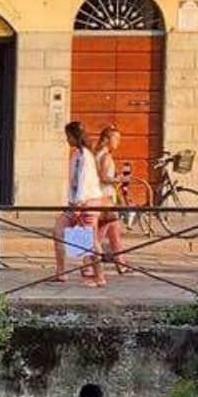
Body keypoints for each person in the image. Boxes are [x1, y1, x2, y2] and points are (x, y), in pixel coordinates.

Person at [55, 120, 106, 287]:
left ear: (74, 136)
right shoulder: (76, 155)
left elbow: (84, 182)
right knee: (59, 231)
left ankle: (99, 277)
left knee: (90, 239)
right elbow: (73, 181)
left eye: (68, 136)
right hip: (75, 202)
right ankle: (61, 272)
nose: (66, 140)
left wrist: (78, 204)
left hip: (88, 202)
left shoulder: (86, 157)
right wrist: (71, 202)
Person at [94, 125, 132, 273]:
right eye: (116, 139)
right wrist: (119, 179)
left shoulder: (97, 154)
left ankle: (121, 263)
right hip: (105, 200)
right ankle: (89, 266)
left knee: (114, 232)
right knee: (98, 235)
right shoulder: (105, 156)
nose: (118, 142)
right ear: (107, 139)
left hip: (103, 198)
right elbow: (103, 177)